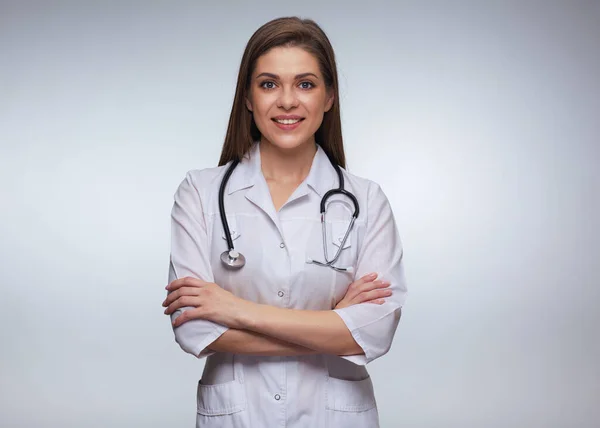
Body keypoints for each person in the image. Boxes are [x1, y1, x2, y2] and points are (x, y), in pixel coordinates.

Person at [162, 16, 407, 428]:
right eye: (269, 84)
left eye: (306, 84)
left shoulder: (366, 201)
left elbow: (375, 333)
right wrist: (332, 323)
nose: (288, 101)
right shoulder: (199, 193)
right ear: (248, 97)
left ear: (329, 97)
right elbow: (195, 330)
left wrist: (233, 308)